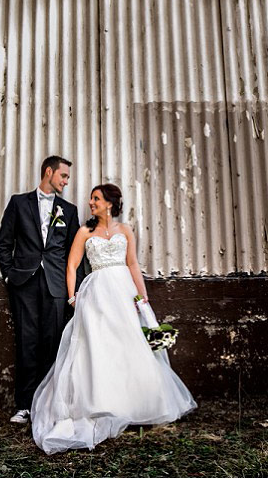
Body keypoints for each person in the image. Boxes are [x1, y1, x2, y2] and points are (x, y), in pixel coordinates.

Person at [30, 183, 196, 454]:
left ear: (109, 203)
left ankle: (135, 405)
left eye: (96, 199)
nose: (91, 202)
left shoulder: (125, 231)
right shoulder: (85, 231)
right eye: (91, 198)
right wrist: (72, 298)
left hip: (123, 291)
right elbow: (71, 266)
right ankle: (99, 402)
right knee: (97, 347)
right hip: (95, 294)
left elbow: (132, 264)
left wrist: (143, 299)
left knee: (128, 346)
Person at [0, 156, 82, 424]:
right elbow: (4, 243)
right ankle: (24, 406)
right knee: (26, 343)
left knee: (53, 345)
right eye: (64, 176)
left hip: (56, 286)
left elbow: (74, 256)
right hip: (24, 284)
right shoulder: (19, 203)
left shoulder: (69, 210)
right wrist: (10, 276)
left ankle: (49, 407)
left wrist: (74, 291)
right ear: (49, 172)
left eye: (67, 178)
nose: (66, 182)